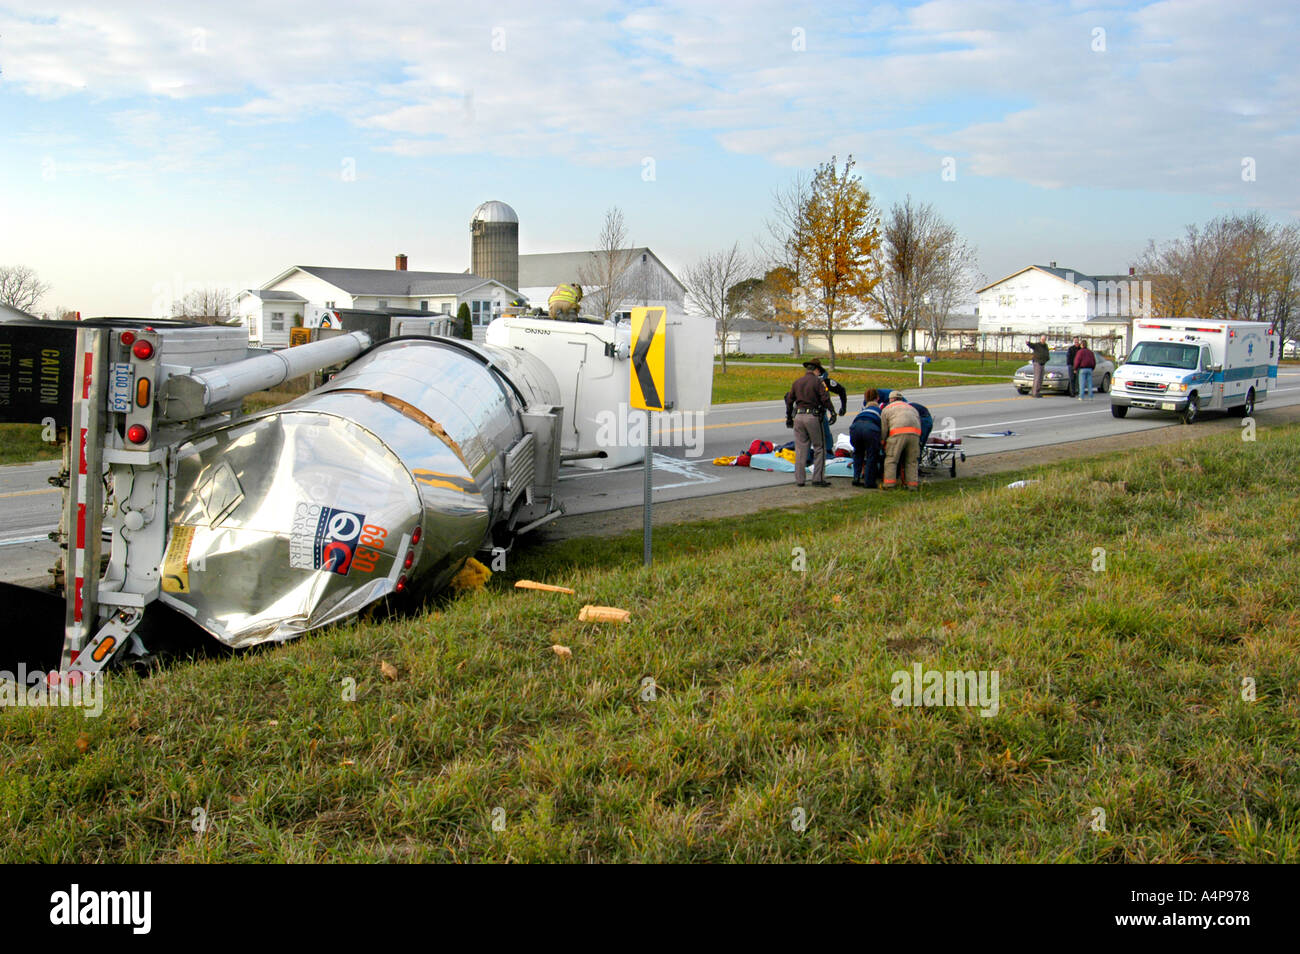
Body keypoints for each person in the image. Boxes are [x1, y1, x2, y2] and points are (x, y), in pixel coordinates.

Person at [784, 359, 837, 487]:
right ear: (816, 370)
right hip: (812, 416)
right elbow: (825, 399)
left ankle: (800, 480)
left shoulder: (797, 382)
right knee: (819, 447)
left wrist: (789, 417)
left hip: (798, 417)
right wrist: (832, 412)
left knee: (801, 449)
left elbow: (789, 400)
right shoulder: (818, 382)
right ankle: (817, 479)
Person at [880, 392, 922, 490]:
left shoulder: (887, 409)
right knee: (912, 461)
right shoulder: (912, 408)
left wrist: (883, 441)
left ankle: (889, 484)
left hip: (897, 434)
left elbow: (884, 429)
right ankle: (912, 485)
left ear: (891, 399)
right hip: (915, 435)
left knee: (891, 460)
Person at [849, 388, 883, 488]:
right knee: (872, 455)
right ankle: (869, 482)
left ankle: (856, 477)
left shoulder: (863, 410)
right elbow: (883, 428)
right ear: (877, 398)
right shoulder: (880, 411)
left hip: (855, 428)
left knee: (858, 453)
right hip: (870, 428)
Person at [816, 363, 848, 453]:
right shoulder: (805, 382)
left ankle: (828, 452)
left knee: (825, 435)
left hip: (820, 413)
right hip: (809, 414)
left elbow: (841, 390)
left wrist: (843, 407)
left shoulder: (825, 382)